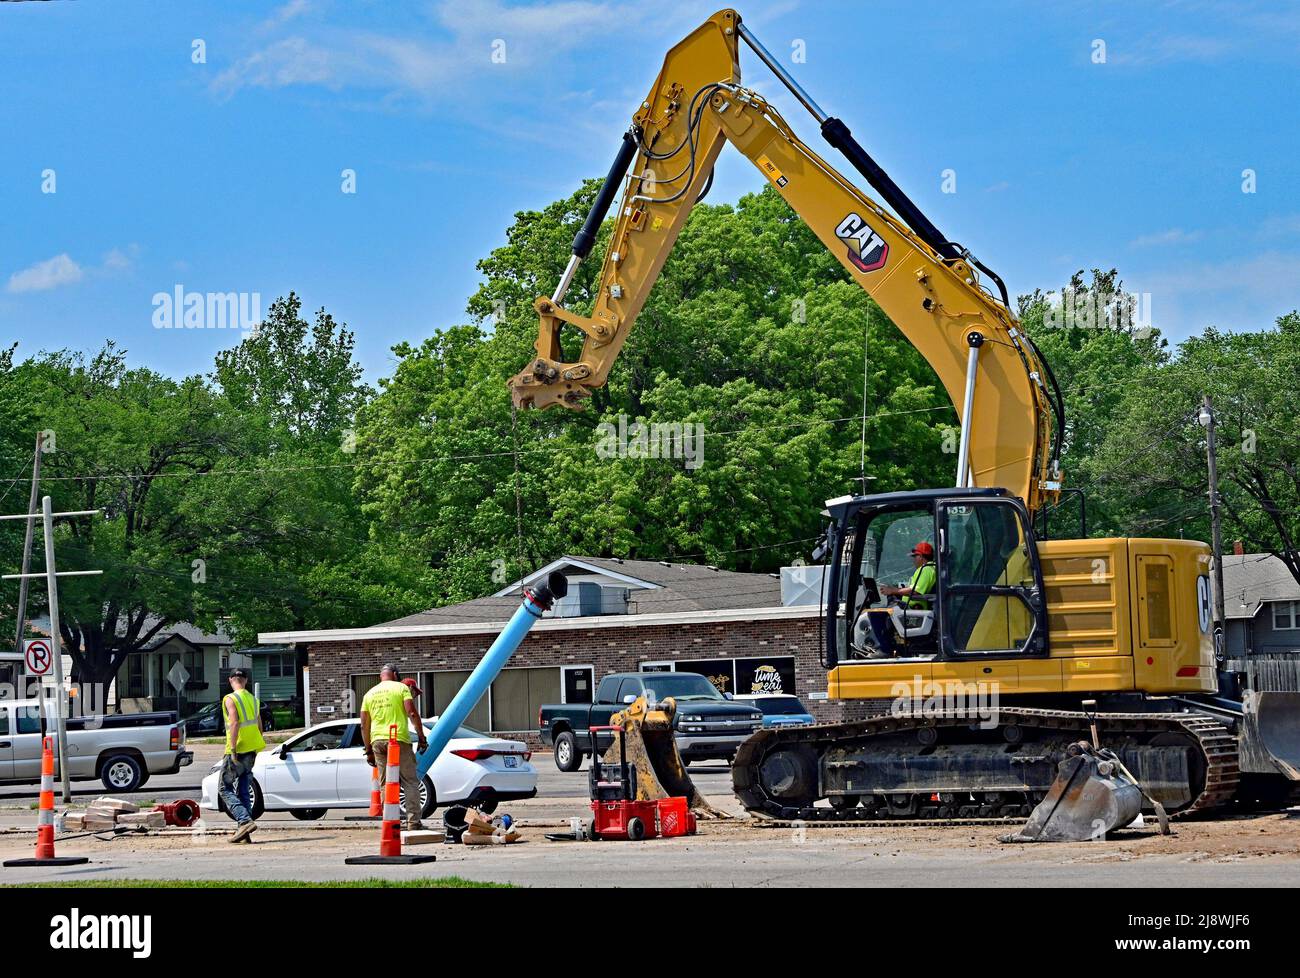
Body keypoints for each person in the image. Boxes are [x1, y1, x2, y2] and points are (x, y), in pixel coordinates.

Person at [361, 665, 428, 830]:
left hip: (377, 741)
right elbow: (412, 713)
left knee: (386, 783)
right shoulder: (401, 688)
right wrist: (421, 738)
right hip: (398, 739)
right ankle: (413, 823)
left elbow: (364, 726)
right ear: (396, 675)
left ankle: (390, 823)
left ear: (381, 676)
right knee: (410, 782)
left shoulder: (369, 694)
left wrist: (368, 750)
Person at [218, 668, 266, 843]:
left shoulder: (230, 698)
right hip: (252, 749)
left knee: (224, 788)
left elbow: (234, 722)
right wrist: (256, 747)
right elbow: (260, 726)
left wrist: (232, 748)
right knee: (244, 789)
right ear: (246, 681)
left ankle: (244, 821)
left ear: (231, 680)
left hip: (238, 749)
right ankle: (244, 834)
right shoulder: (254, 700)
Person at [869, 542, 937, 657]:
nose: (913, 560)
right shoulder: (930, 568)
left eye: (914, 557)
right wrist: (896, 590)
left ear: (921, 556)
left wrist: (893, 591)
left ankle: (885, 649)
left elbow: (916, 591)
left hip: (914, 611)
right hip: (913, 609)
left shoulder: (926, 569)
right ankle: (896, 648)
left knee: (876, 615)